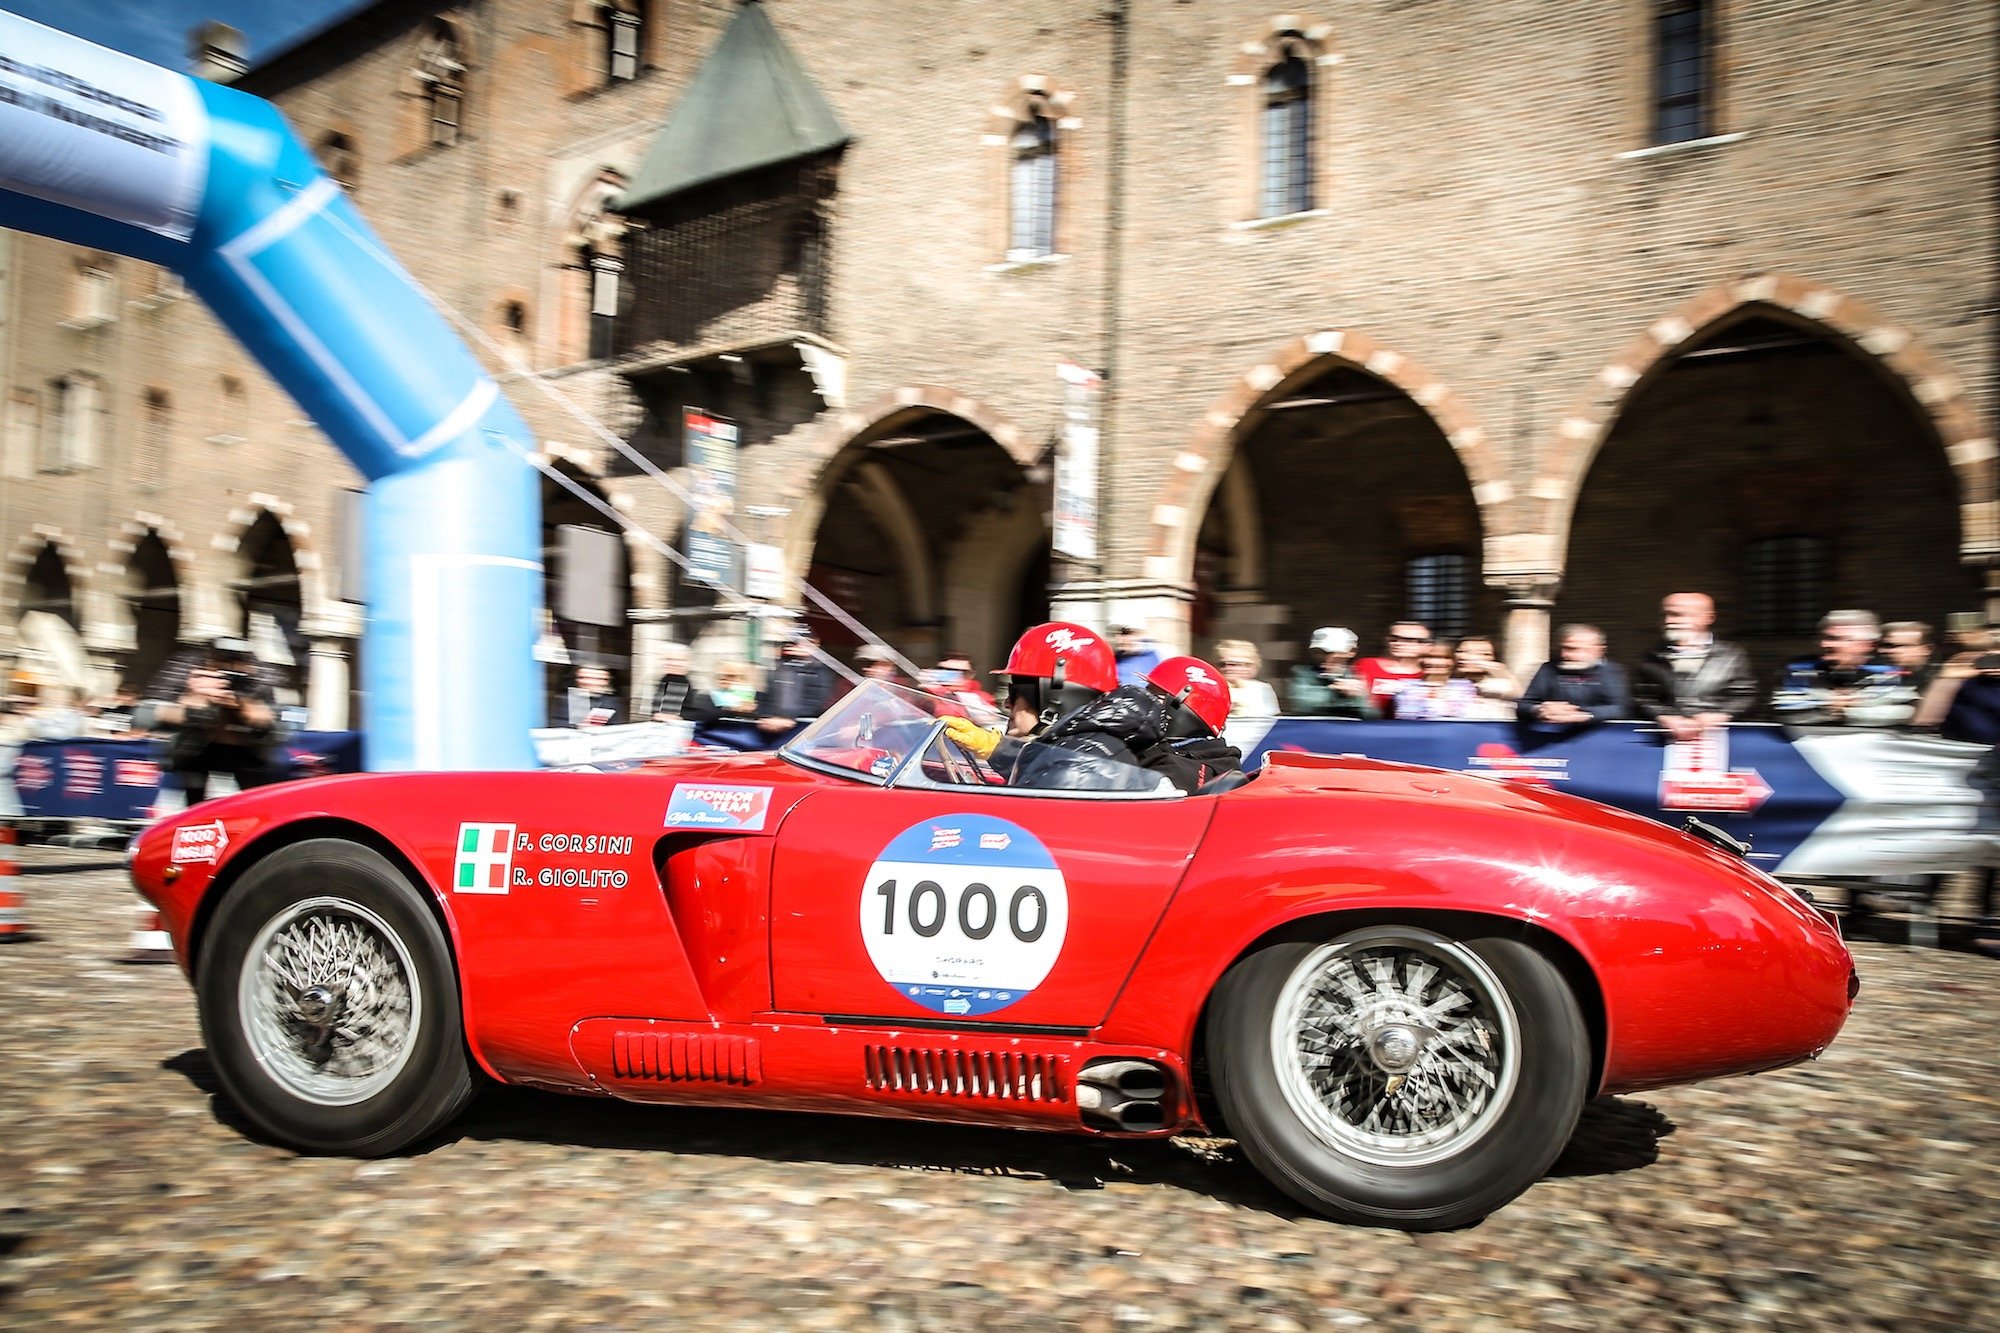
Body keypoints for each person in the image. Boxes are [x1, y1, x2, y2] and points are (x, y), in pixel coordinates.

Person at [1008, 656, 1242, 795]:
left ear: (1179, 708)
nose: (1144, 705)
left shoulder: (1174, 771)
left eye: (1154, 698)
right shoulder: (1202, 763)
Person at [944, 621, 1120, 773]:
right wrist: (996, 749)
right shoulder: (1080, 753)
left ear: (1054, 700)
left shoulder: (1073, 770)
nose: (1006, 704)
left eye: (1016, 693)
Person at [145, 637, 281, 804]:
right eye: (221, 660)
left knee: (256, 802)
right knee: (193, 805)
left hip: (246, 751)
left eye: (237, 661)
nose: (228, 668)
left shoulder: (259, 677)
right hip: (195, 749)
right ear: (209, 659)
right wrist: (194, 698)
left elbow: (271, 722)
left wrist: (244, 704)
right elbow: (151, 712)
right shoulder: (189, 671)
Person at [1632, 592, 1757, 741]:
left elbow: (1744, 695)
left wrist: (1722, 715)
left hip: (1719, 741)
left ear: (1708, 617)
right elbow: (1643, 697)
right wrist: (1664, 716)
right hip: (1666, 741)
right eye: (1664, 614)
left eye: (1677, 614)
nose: (1668, 621)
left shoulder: (1732, 655)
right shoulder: (1651, 656)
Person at [1771, 609, 1917, 728]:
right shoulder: (1799, 669)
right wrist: (1829, 709)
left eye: (1837, 639)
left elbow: (1903, 712)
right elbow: (1784, 710)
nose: (1825, 644)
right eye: (1824, 637)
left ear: (1866, 645)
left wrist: (1837, 709)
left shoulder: (1887, 671)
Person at [1518, 625, 1631, 733]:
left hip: (1600, 738)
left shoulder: (1611, 671)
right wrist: (1539, 710)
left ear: (1599, 650)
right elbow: (1524, 705)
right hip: (1550, 736)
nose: (1564, 655)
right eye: (1562, 648)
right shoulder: (1548, 669)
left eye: (1572, 649)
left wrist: (1582, 714)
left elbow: (1621, 708)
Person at [757, 629, 836, 735]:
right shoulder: (778, 668)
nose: (798, 646)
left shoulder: (821, 671)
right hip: (770, 726)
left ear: (815, 643)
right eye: (794, 643)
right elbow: (763, 695)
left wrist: (790, 720)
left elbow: (819, 700)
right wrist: (765, 717)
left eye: (804, 642)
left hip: (804, 729)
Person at [1288, 626, 1375, 718]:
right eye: (1317, 652)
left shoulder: (1356, 676)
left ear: (1351, 652)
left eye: (1330, 652)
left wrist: (1359, 696)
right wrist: (1336, 691)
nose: (1322, 657)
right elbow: (1303, 704)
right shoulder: (1302, 673)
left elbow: (1372, 714)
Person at [1355, 621, 1431, 715]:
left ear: (1427, 645)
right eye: (1393, 639)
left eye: (1408, 640)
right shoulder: (1366, 665)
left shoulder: (1429, 674)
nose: (1398, 643)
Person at [1391, 639, 1477, 720]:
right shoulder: (1407, 687)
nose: (1434, 662)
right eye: (1429, 657)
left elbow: (1467, 716)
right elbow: (1407, 716)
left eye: (1443, 657)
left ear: (1453, 661)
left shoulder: (1464, 687)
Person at [1449, 635, 1519, 721]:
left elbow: (1519, 697)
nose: (1462, 656)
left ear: (1491, 657)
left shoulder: (1499, 685)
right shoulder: (1449, 684)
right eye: (1460, 651)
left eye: (1471, 653)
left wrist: (1506, 674)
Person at [648, 642, 717, 725]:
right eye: (668, 659)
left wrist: (677, 716)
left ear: (688, 662)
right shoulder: (665, 680)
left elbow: (704, 712)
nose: (674, 663)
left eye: (679, 660)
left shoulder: (689, 682)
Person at [1213, 639, 1280, 720]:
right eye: (1222, 664)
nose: (1227, 668)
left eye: (1234, 664)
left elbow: (1269, 718)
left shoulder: (1262, 689)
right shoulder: (1211, 688)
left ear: (1249, 666)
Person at [1881, 621, 1938, 697]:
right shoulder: (1885, 677)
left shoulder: (1940, 681)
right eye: (1890, 646)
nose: (1893, 651)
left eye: (1904, 645)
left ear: (1927, 649)